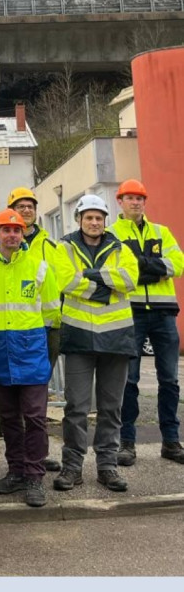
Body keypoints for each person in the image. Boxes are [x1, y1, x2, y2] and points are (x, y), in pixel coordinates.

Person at [0, 210, 60, 508]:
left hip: (32, 352)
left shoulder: (40, 267)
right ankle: (16, 471)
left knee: (34, 418)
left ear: (23, 234)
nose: (12, 235)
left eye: (17, 230)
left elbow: (50, 313)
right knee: (8, 418)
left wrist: (32, 341)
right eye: (5, 230)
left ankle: (34, 476)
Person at [51, 195, 138, 493]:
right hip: (79, 337)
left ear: (105, 221)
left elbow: (131, 277)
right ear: (79, 219)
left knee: (112, 408)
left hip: (117, 338)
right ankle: (72, 468)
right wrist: (105, 287)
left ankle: (107, 467)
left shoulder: (120, 248)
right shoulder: (63, 247)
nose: (94, 222)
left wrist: (87, 277)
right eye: (89, 217)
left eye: (99, 217)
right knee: (75, 407)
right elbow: (65, 281)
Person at [112, 179, 184, 467]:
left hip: (164, 312)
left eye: (140, 198)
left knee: (169, 380)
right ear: (120, 202)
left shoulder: (161, 232)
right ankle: (126, 444)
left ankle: (170, 442)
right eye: (130, 198)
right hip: (129, 312)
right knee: (128, 381)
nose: (136, 202)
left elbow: (177, 264)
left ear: (145, 202)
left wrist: (140, 267)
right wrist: (155, 268)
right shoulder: (111, 234)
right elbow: (116, 271)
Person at [6, 186, 63, 473]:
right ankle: (22, 459)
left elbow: (61, 283)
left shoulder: (50, 246)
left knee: (37, 399)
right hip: (13, 333)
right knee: (15, 402)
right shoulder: (5, 242)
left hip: (45, 330)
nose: (26, 210)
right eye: (20, 206)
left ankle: (38, 454)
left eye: (30, 206)